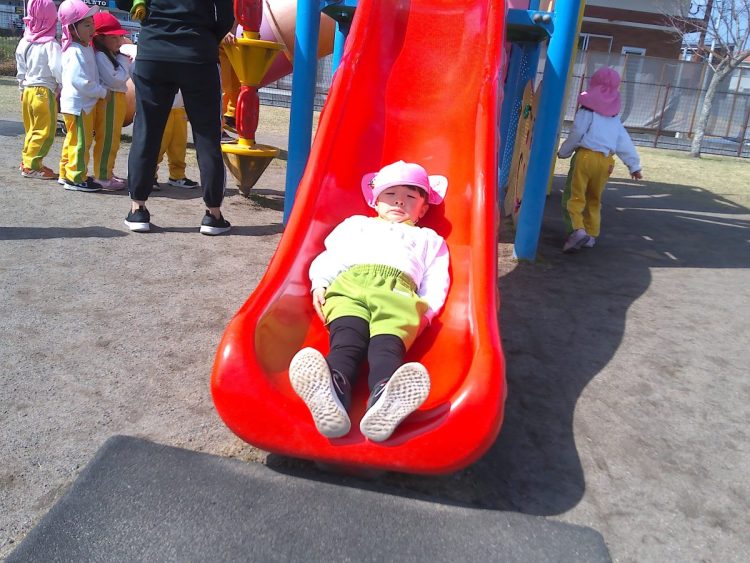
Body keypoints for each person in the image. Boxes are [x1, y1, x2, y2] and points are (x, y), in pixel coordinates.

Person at [288, 161, 450, 443]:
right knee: (346, 341)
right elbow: (332, 255)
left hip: (399, 295)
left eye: (410, 197)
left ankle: (385, 396)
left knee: (386, 348)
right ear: (375, 202)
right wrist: (321, 282)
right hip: (350, 286)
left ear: (423, 210)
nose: (399, 201)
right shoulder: (356, 225)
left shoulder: (429, 238)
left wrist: (427, 312)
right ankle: (333, 388)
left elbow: (436, 279)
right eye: (391, 194)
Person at [115, 0, 234, 235]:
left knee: (147, 130)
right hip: (198, 52)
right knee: (207, 134)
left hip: (154, 49)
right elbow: (226, 17)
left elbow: (122, 1)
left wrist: (148, 17)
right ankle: (213, 214)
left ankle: (138, 208)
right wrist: (205, 37)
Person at [557, 66, 643, 252]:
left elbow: (577, 133)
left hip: (585, 157)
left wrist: (564, 151)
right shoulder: (614, 119)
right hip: (606, 162)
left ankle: (576, 230)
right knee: (594, 198)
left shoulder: (587, 111)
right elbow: (624, 142)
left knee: (574, 196)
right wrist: (634, 165)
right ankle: (590, 235)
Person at [57, 0, 107, 193]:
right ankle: (76, 177)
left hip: (80, 105)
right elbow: (81, 81)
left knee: (73, 140)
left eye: (92, 23)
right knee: (81, 142)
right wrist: (102, 91)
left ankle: (65, 172)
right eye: (86, 25)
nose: (92, 28)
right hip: (79, 106)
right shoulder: (74, 51)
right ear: (71, 28)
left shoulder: (84, 47)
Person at [15, 0, 62, 180]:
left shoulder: (24, 42)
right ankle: (32, 166)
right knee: (45, 131)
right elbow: (57, 68)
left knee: (32, 129)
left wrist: (21, 87)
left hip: (27, 91)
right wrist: (62, 85)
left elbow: (21, 68)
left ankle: (27, 160)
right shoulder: (51, 44)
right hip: (44, 91)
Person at [91, 11, 132, 191]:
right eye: (114, 37)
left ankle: (107, 171)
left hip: (117, 99)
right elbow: (116, 79)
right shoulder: (101, 56)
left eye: (120, 36)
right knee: (107, 139)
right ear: (100, 38)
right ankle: (103, 176)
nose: (120, 41)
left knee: (113, 139)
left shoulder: (109, 54)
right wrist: (124, 60)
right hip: (110, 100)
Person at [155, 90, 199, 189]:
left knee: (179, 146)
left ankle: (177, 176)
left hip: (180, 108)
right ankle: (149, 176)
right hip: (160, 106)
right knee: (158, 145)